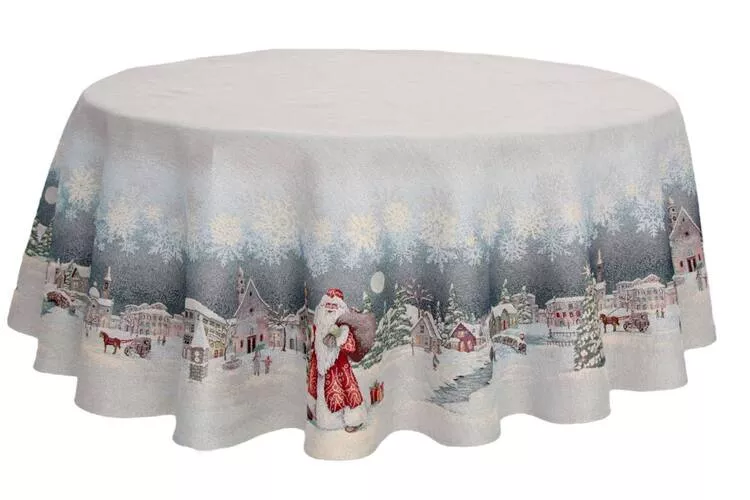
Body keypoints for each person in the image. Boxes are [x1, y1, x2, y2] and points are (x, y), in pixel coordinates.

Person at [306, 288, 366, 433]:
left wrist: (339, 336)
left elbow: (351, 346)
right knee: (317, 389)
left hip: (339, 368)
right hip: (320, 367)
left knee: (347, 391)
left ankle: (353, 419)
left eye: (334, 306)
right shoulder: (318, 325)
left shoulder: (344, 327)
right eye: (327, 306)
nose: (330, 309)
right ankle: (318, 414)